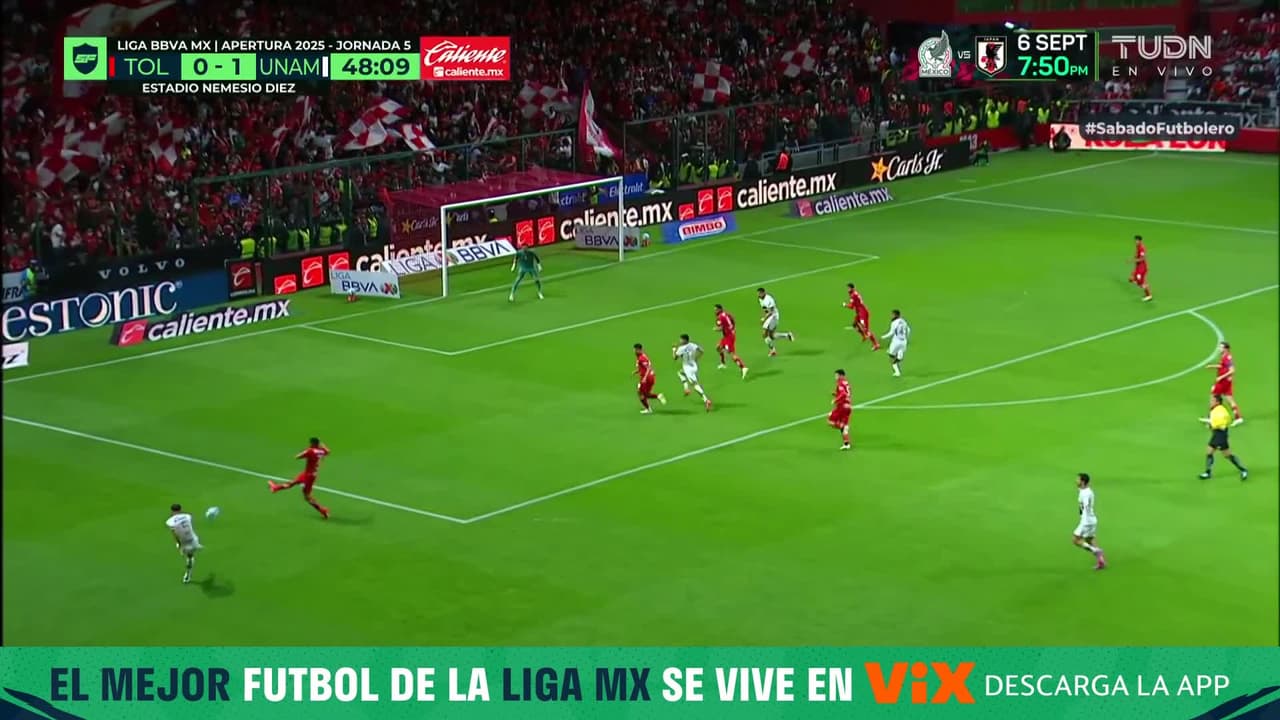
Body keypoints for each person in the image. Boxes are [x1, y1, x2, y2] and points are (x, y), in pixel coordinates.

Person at [269, 438, 331, 519]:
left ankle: (323, 510)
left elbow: (297, 456)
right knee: (293, 482)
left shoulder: (310, 451)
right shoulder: (322, 451)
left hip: (308, 475)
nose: (309, 444)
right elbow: (328, 451)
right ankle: (276, 488)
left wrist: (307, 451)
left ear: (313, 444)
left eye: (310, 443)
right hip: (310, 474)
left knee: (307, 496)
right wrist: (321, 444)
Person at [1199, 395, 1249, 480]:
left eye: (1212, 401)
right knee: (1210, 452)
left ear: (1217, 402)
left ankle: (1243, 470)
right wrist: (1210, 423)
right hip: (1217, 434)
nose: (1210, 402)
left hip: (1220, 435)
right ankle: (1208, 472)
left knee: (1226, 454)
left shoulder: (1220, 411)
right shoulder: (1215, 409)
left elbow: (1221, 423)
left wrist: (1210, 423)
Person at [1071, 474, 1107, 571]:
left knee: (1075, 540)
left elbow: (1086, 505)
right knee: (1089, 540)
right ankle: (1101, 561)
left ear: (1082, 482)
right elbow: (1082, 490)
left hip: (1086, 521)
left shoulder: (1085, 493)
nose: (1076, 481)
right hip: (1092, 520)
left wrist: (1084, 519)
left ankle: (1096, 551)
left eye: (1078, 479)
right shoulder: (1085, 490)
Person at [673, 334, 712, 411]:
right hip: (694, 366)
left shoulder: (681, 348)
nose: (680, 341)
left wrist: (674, 350)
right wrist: (696, 358)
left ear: (685, 340)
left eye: (681, 339)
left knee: (695, 385)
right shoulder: (693, 345)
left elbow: (674, 358)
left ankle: (706, 400)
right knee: (680, 373)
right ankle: (686, 389)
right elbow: (701, 351)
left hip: (688, 368)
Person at [1207, 342, 1243, 425]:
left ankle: (1211, 417)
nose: (1219, 349)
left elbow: (1232, 370)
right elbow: (1223, 366)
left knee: (1213, 396)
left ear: (1226, 349)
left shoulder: (1227, 358)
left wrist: (1221, 377)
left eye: (1221, 347)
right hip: (1227, 381)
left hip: (1223, 381)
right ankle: (1238, 418)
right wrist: (1213, 366)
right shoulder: (1225, 356)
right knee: (1229, 398)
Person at [166, 503, 203, 584]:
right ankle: (196, 547)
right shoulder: (188, 516)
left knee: (189, 557)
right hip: (193, 539)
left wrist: (178, 543)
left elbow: (175, 534)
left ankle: (188, 574)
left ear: (172, 511)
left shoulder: (170, 521)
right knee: (191, 554)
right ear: (180, 509)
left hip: (184, 543)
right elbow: (186, 517)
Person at [757, 287, 795, 357]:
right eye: (758, 294)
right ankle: (787, 335)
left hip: (773, 316)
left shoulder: (769, 299)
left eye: (760, 293)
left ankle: (773, 350)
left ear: (764, 292)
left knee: (764, 334)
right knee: (772, 336)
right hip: (769, 316)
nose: (759, 295)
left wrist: (764, 319)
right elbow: (765, 309)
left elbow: (771, 312)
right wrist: (764, 316)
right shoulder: (760, 299)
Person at [713, 303, 748, 378]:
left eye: (716, 310)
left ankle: (743, 367)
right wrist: (732, 328)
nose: (715, 311)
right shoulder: (727, 314)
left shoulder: (720, 317)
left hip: (729, 337)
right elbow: (733, 320)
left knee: (732, 354)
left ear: (720, 309)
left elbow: (721, 328)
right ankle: (723, 363)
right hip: (729, 335)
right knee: (718, 347)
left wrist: (716, 329)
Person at [844, 283, 880, 351]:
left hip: (863, 314)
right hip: (859, 312)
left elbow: (851, 307)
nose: (847, 289)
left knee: (866, 329)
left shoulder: (853, 295)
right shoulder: (854, 293)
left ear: (852, 288)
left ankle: (876, 344)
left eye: (848, 288)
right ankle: (864, 336)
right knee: (855, 324)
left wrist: (845, 305)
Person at [634, 343, 666, 414]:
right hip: (649, 377)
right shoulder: (641, 356)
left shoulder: (642, 358)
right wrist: (637, 371)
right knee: (643, 393)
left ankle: (651, 406)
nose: (634, 351)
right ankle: (656, 398)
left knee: (642, 394)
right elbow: (644, 367)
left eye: (636, 350)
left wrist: (645, 378)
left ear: (639, 350)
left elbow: (648, 368)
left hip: (647, 378)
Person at [828, 369, 853, 451]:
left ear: (841, 375)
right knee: (843, 424)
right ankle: (846, 444)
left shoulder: (840, 383)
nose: (835, 377)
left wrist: (836, 400)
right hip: (848, 407)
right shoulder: (846, 383)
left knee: (830, 420)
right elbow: (846, 393)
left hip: (842, 406)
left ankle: (844, 427)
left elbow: (843, 394)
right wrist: (836, 394)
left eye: (836, 375)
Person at [881, 309, 910, 377]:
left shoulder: (894, 323)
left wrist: (883, 337)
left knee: (891, 355)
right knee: (899, 354)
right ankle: (899, 357)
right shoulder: (903, 321)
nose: (891, 316)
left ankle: (897, 371)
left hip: (896, 342)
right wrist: (906, 337)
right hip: (904, 342)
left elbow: (891, 333)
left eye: (892, 314)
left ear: (895, 315)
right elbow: (908, 330)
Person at [1129, 235, 1152, 302]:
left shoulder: (1142, 248)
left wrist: (1132, 260)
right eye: (1135, 240)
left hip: (1142, 268)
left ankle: (1149, 296)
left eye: (1137, 240)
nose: (1135, 242)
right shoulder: (1138, 246)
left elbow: (1142, 258)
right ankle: (1139, 282)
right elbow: (1137, 256)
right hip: (1138, 267)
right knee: (1132, 279)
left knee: (1141, 282)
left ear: (1140, 241)